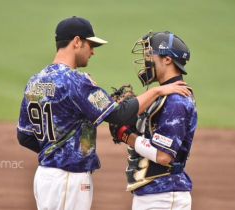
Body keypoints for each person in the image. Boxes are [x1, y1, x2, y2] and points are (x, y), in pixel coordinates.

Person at [16, 17, 191, 210]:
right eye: (90, 45)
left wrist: (53, 151)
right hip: (68, 178)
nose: (92, 52)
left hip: (44, 177)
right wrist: (157, 91)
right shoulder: (76, 81)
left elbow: (24, 136)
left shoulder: (36, 81)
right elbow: (118, 116)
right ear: (76, 42)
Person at [112, 31, 198, 210]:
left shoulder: (176, 101)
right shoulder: (164, 95)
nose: (146, 60)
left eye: (150, 54)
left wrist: (126, 135)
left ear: (167, 59)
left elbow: (163, 156)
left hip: (164, 196)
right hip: (155, 193)